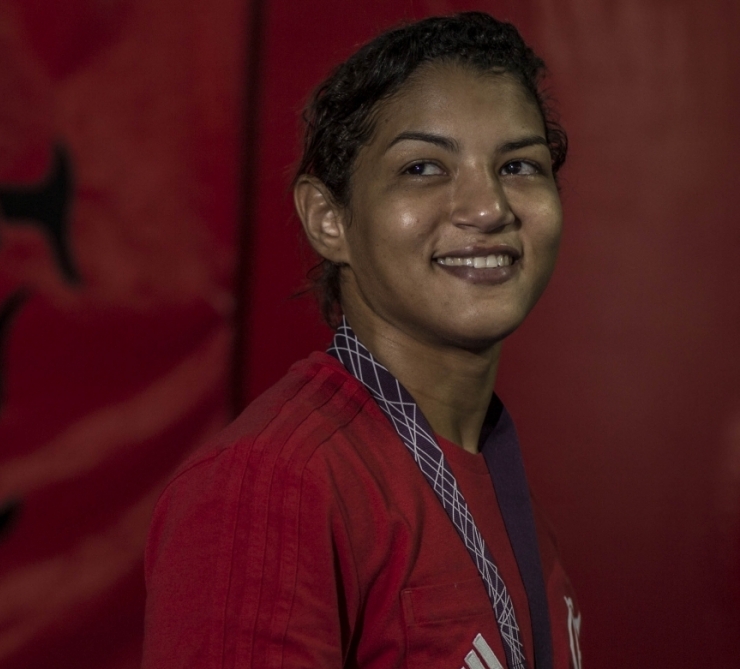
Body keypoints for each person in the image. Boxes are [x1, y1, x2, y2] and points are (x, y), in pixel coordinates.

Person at [142, 12, 582, 669]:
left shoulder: (493, 478)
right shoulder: (271, 484)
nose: (488, 207)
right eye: (425, 167)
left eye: (518, 164)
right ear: (329, 220)